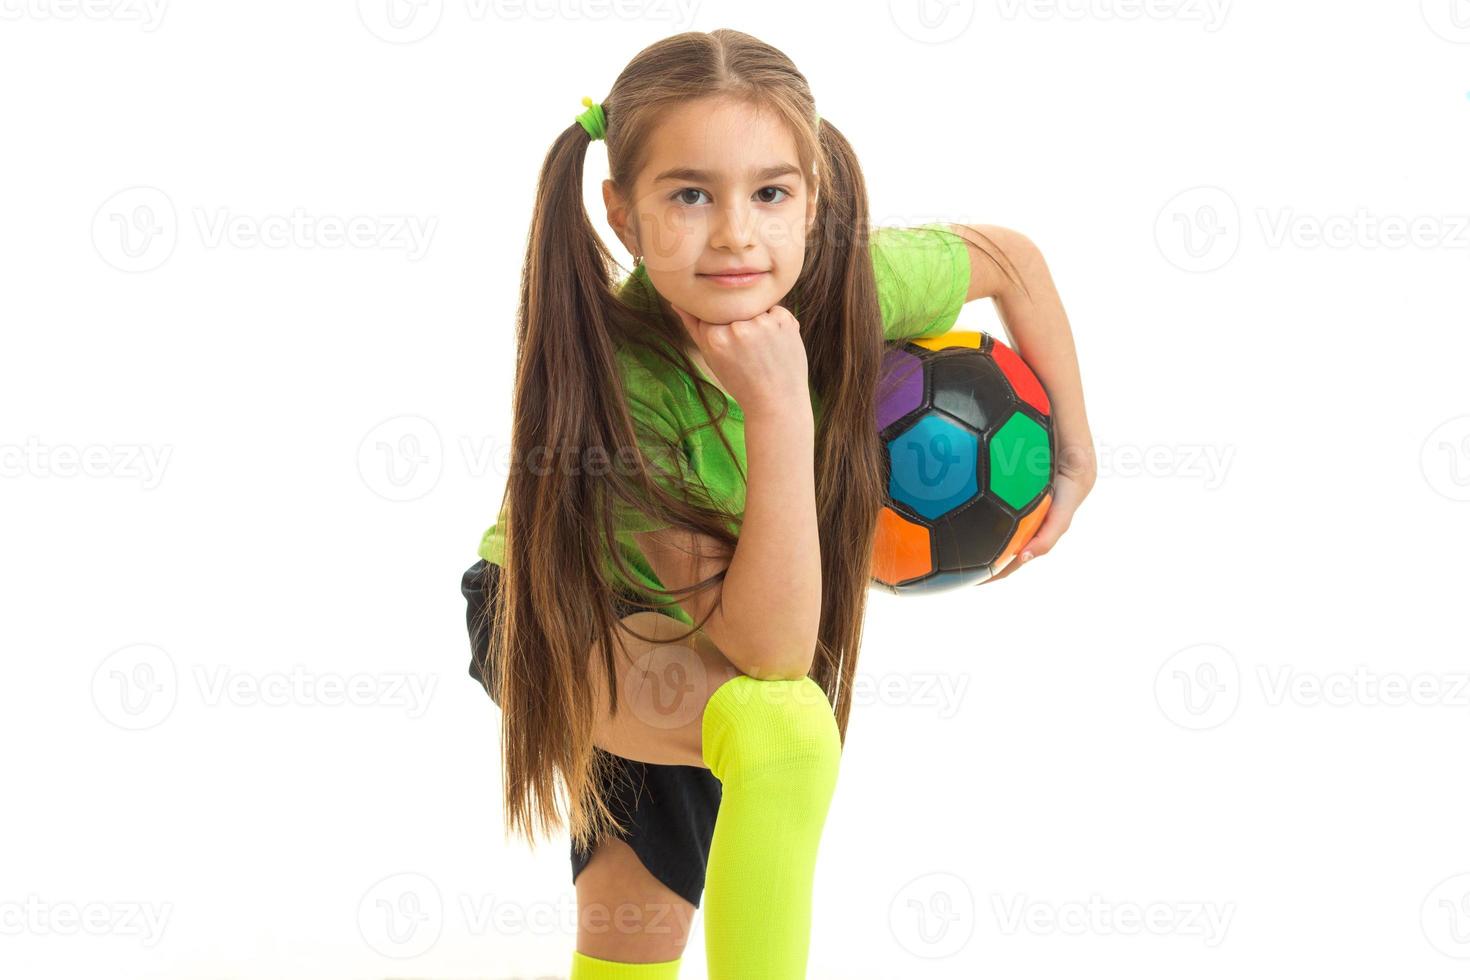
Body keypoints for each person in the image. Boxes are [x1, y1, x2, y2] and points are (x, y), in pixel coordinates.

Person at [461, 27, 1096, 979]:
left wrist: (1077, 454)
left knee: (635, 931)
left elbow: (1012, 261)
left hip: (697, 614)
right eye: (688, 195)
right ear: (622, 217)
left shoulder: (854, 286)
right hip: (555, 610)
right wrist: (778, 406)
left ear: (811, 202)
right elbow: (768, 655)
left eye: (770, 193)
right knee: (782, 728)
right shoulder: (629, 397)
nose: (736, 234)